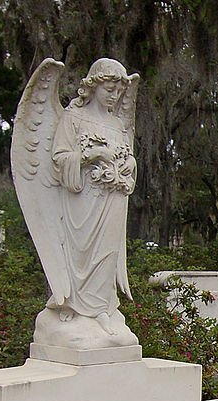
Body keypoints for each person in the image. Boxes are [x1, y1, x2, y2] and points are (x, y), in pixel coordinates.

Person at [50, 58, 137, 337]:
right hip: (83, 199)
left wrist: (130, 164)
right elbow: (59, 159)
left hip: (113, 198)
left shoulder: (116, 124)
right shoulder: (72, 117)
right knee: (82, 253)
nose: (114, 95)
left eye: (118, 91)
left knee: (107, 253)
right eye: (109, 89)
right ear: (94, 85)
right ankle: (76, 306)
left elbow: (127, 155)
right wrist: (93, 155)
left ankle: (103, 308)